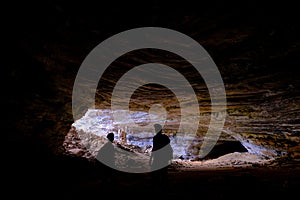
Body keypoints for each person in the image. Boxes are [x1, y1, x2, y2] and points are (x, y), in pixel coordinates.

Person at [149, 124, 173, 192]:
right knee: (163, 172)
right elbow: (168, 147)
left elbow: (155, 149)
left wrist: (151, 158)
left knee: (156, 172)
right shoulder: (165, 137)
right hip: (163, 157)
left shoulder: (156, 138)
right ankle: (164, 186)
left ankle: (156, 186)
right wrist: (170, 157)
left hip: (158, 157)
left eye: (156, 129)